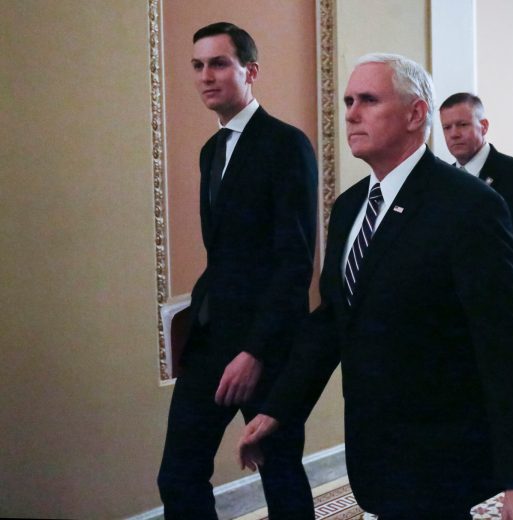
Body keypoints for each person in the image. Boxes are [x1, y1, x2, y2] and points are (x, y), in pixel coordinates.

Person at [238, 54, 513, 520]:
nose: (351, 112)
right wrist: (279, 408)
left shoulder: (468, 206)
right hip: (376, 455)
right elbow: (333, 318)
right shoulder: (350, 207)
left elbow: (506, 348)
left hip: (439, 457)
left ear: (416, 114)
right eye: (349, 100)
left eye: (368, 100)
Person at [156, 22, 317, 519]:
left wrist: (255, 351)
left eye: (219, 64)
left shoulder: (286, 144)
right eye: (198, 65)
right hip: (211, 339)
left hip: (265, 347)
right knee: (179, 472)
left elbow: (294, 260)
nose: (206, 76)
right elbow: (225, 255)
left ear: (250, 71)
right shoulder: (212, 150)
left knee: (280, 472)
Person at [439, 93, 513, 356]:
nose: (454, 134)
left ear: (484, 126)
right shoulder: (440, 182)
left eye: (463, 124)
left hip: (511, 326)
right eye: (447, 127)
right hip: (457, 333)